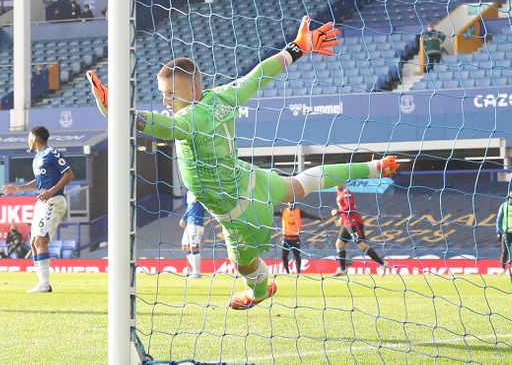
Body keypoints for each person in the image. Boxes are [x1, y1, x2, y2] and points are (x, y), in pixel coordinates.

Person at [86, 16, 398, 310]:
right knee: (300, 184)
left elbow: (160, 126)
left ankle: (259, 291)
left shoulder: (189, 118)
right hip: (250, 179)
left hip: (235, 211)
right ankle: (374, 168)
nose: (166, 101)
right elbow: (258, 75)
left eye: (170, 94)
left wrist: (118, 111)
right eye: (162, 94)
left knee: (243, 264)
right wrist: (298, 48)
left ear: (192, 88)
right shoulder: (222, 96)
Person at [1, 126, 74, 293]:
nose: (27, 141)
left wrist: (51, 191)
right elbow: (39, 182)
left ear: (34, 138)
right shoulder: (37, 158)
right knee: (34, 242)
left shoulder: (51, 153)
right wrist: (18, 189)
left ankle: (45, 284)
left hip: (54, 200)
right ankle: (42, 283)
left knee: (41, 241)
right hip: (42, 202)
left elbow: (69, 174)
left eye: (28, 138)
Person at [331, 184, 388, 276]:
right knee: (339, 244)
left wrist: (338, 212)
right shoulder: (340, 193)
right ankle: (343, 269)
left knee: (362, 246)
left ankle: (382, 264)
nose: (336, 185)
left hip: (353, 222)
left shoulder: (346, 192)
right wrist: (342, 217)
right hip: (347, 223)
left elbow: (350, 207)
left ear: (342, 182)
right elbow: (346, 207)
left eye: (337, 182)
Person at [279, 202, 320, 275]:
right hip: (285, 238)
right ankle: (287, 272)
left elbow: (309, 216)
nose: (291, 205)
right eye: (290, 203)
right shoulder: (283, 211)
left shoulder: (299, 212)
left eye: (292, 203)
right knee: (284, 256)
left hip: (295, 239)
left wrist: (319, 218)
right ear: (288, 204)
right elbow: (272, 213)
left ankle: (298, 272)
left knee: (297, 256)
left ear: (295, 203)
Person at [180, 191, 208, 278]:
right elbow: (190, 207)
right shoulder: (189, 192)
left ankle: (197, 272)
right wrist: (183, 218)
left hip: (196, 223)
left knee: (194, 247)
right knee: (185, 247)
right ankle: (194, 270)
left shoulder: (199, 190)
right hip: (189, 223)